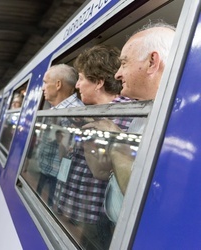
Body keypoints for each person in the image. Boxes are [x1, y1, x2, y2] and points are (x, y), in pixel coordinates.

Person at [82, 22, 176, 224]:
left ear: (152, 62)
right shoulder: (144, 110)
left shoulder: (179, 126)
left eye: (124, 63)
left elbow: (150, 202)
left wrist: (114, 139)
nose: (117, 74)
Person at [56, 44, 131, 249]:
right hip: (79, 206)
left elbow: (100, 170)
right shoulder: (97, 112)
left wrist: (85, 130)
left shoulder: (122, 114)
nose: (77, 86)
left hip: (93, 214)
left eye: (81, 78)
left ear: (98, 83)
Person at [35, 64, 83, 206]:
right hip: (46, 169)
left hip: (58, 178)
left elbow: (71, 155)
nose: (43, 88)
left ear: (58, 85)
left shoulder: (75, 112)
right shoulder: (57, 109)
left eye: (45, 83)